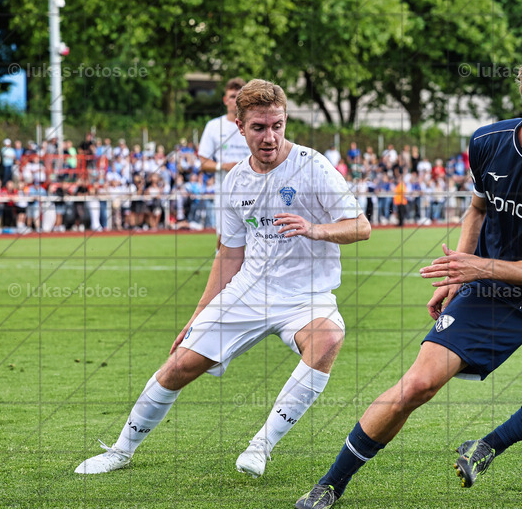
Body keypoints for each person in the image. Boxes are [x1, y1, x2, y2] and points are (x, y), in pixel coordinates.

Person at [295, 38, 522, 509]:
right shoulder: (488, 143)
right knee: (417, 386)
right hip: (489, 293)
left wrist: (475, 266)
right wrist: (458, 273)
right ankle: (330, 484)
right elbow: (478, 207)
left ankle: (487, 445)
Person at [74, 79, 371, 477]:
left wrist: (315, 228)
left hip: (307, 295)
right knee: (177, 366)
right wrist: (196, 316)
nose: (270, 136)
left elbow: (361, 226)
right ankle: (121, 450)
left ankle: (260, 446)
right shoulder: (235, 181)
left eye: (277, 125)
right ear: (239, 125)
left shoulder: (313, 166)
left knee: (328, 339)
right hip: (248, 292)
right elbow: (229, 253)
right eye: (259, 128)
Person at [198, 77, 251, 188]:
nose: (236, 100)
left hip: (251, 191)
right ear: (225, 100)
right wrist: (223, 166)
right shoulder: (214, 126)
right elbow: (203, 163)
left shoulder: (256, 126)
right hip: (224, 194)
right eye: (232, 96)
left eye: (239, 97)